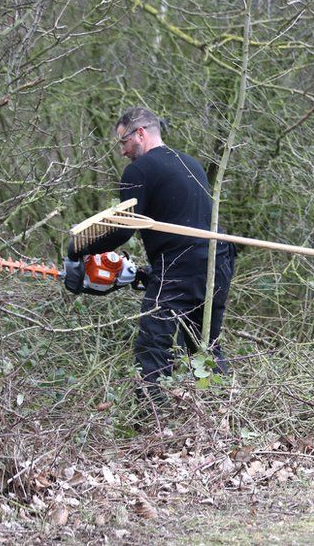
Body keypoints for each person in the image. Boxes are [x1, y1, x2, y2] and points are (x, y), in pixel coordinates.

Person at [69, 107, 236, 410]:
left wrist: (79, 249)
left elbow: (123, 230)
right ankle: (223, 417)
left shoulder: (140, 170)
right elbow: (186, 225)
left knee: (153, 346)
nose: (122, 152)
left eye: (124, 142)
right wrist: (150, 274)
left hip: (181, 264)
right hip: (216, 261)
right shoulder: (190, 163)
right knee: (204, 346)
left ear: (141, 134)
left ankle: (151, 425)